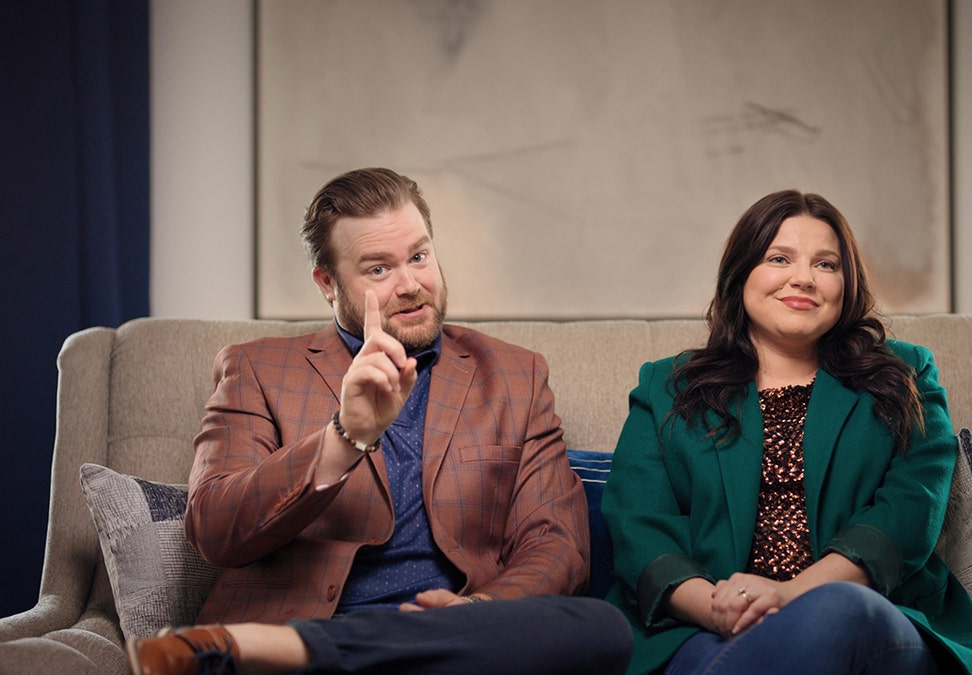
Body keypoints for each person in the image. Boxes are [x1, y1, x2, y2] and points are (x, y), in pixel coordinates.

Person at [127, 168, 632, 675]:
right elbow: (214, 527)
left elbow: (557, 544)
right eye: (378, 270)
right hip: (310, 641)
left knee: (602, 627)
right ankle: (302, 648)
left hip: (462, 645)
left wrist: (477, 614)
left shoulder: (513, 375)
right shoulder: (257, 369)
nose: (411, 285)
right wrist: (343, 439)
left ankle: (292, 646)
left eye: (419, 256)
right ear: (328, 283)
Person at [600, 189, 972, 675]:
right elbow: (638, 526)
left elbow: (911, 511)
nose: (804, 279)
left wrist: (789, 595)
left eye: (826, 264)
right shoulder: (666, 388)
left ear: (846, 284)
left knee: (843, 613)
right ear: (741, 273)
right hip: (703, 627)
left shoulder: (904, 375)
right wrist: (721, 609)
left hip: (868, 616)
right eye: (779, 258)